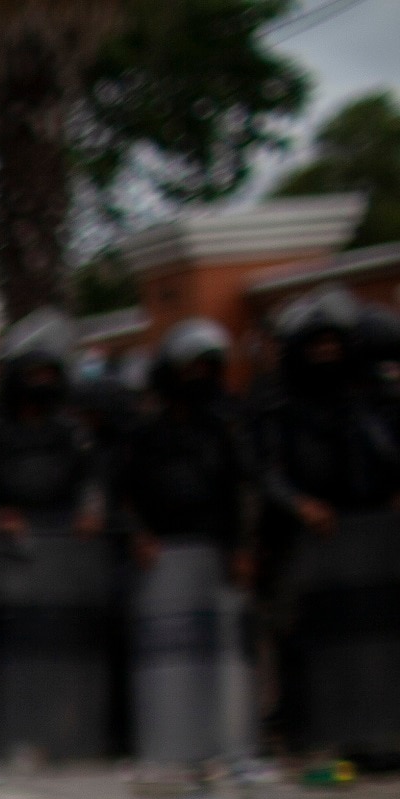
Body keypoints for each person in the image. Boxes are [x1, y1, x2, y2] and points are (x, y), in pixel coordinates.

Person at [256, 286, 400, 757]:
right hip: (306, 546)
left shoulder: (373, 400)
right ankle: (308, 733)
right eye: (317, 346)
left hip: (371, 542)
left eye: (334, 345)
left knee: (378, 637)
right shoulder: (281, 406)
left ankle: (378, 733)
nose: (327, 354)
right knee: (303, 636)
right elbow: (265, 472)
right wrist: (299, 506)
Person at [0, 308, 113, 761]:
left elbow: (90, 482)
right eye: (33, 373)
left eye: (49, 373)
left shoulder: (70, 433)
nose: (41, 382)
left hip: (61, 558)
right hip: (7, 559)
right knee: (9, 651)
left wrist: (90, 510)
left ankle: (60, 735)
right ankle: (5, 734)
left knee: (60, 649)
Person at [111, 319, 256, 766]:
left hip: (214, 553)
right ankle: (168, 742)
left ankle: (227, 745)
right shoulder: (144, 435)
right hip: (162, 560)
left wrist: (242, 548)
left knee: (223, 653)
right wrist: (138, 535)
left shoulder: (224, 430)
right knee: (167, 654)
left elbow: (242, 489)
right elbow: (120, 493)